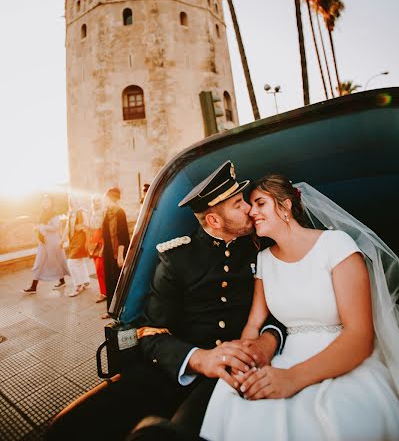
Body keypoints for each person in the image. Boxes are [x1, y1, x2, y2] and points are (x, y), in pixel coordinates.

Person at [46, 161, 285, 441]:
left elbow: (287, 309)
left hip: (242, 368)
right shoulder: (176, 258)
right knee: (69, 429)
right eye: (237, 204)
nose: (248, 208)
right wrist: (198, 358)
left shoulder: (263, 248)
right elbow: (151, 331)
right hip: (179, 365)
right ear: (214, 221)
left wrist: (267, 342)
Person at [199, 174, 399, 441]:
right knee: (237, 401)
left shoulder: (336, 245)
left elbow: (360, 336)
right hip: (286, 355)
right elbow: (254, 324)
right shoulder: (264, 260)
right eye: (249, 205)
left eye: (260, 203)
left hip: (345, 358)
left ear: (285, 206)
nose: (252, 212)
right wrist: (244, 362)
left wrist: (292, 378)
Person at [23, 194, 69, 294]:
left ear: (51, 203)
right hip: (43, 242)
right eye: (44, 202)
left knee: (56, 261)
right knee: (39, 263)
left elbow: (56, 227)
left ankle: (62, 281)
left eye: (47, 202)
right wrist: (38, 228)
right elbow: (41, 226)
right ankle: (33, 286)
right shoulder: (42, 214)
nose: (45, 204)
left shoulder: (54, 214)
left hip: (53, 241)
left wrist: (42, 227)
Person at [101, 187, 130, 318]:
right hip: (108, 252)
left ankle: (121, 311)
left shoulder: (120, 213)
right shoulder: (107, 212)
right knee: (110, 281)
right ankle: (110, 310)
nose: (104, 200)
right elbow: (106, 234)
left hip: (118, 252)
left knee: (118, 282)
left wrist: (120, 256)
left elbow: (123, 236)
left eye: (106, 197)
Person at [63, 196, 90, 297]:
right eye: (72, 201)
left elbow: (87, 225)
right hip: (73, 241)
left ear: (79, 202)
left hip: (80, 241)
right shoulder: (70, 213)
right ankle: (86, 282)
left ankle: (78, 286)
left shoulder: (82, 212)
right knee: (79, 262)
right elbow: (67, 228)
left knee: (71, 263)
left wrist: (81, 226)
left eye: (76, 200)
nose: (74, 203)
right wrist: (62, 240)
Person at [87, 193, 107, 303]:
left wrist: (103, 246)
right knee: (98, 270)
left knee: (101, 269)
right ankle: (103, 292)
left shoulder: (104, 213)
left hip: (101, 244)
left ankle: (105, 292)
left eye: (98, 200)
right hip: (94, 244)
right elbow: (91, 229)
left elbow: (105, 232)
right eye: (94, 201)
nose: (96, 203)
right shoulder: (92, 213)